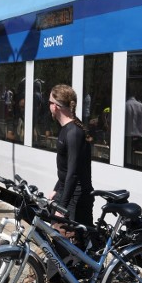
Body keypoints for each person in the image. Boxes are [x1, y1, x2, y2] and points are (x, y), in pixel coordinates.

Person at [48, 84, 94, 229]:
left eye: (50, 102)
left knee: (75, 245)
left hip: (77, 197)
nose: (49, 106)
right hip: (67, 191)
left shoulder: (73, 133)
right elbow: (66, 168)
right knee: (58, 238)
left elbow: (73, 173)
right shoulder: (67, 130)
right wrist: (56, 189)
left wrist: (62, 206)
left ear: (55, 106)